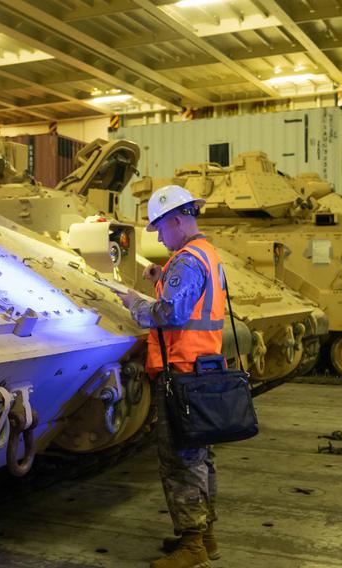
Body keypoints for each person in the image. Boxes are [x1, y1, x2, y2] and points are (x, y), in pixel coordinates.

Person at [117, 185, 226, 568]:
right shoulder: (205, 255)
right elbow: (193, 301)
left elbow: (168, 314)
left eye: (161, 229)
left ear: (177, 221)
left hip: (180, 373)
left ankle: (193, 547)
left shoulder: (186, 260)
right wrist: (163, 276)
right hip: (203, 368)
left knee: (180, 460)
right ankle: (205, 535)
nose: (160, 237)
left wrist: (134, 302)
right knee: (200, 457)